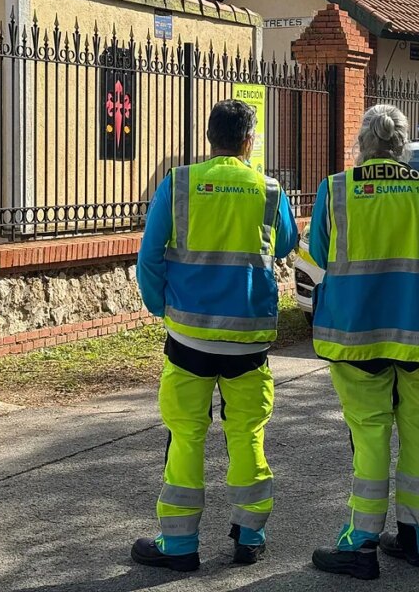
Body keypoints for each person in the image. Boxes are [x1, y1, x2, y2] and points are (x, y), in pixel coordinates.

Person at [133, 99, 298, 572]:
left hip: (188, 338)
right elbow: (286, 242)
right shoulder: (269, 189)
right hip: (248, 339)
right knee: (247, 433)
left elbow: (149, 257)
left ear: (209, 138)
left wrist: (160, 306)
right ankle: (250, 538)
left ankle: (180, 547)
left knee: (185, 436)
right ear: (249, 140)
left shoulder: (179, 184)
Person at [307, 104, 419, 581]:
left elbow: (319, 252)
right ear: (402, 145)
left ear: (363, 143)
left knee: (371, 434)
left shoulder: (337, 190)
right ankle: (418, 537)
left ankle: (361, 542)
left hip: (358, 335)